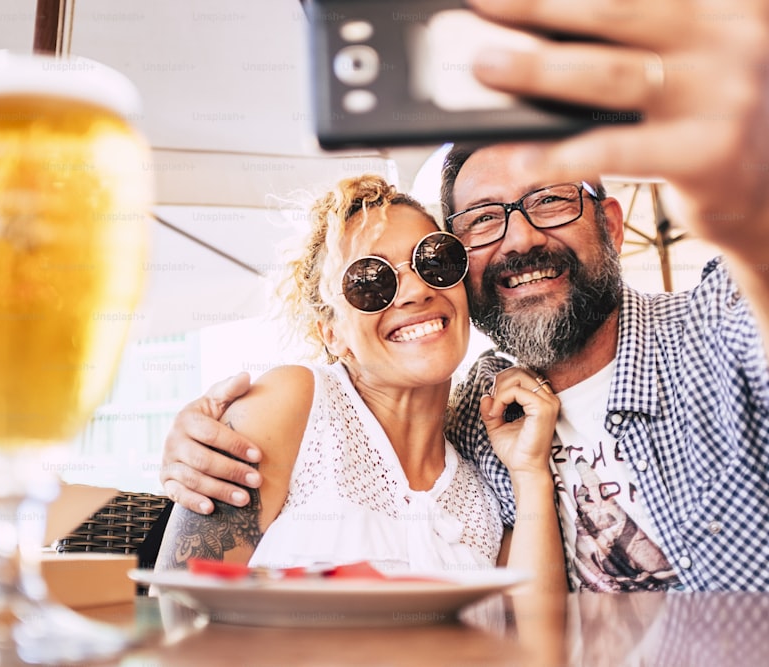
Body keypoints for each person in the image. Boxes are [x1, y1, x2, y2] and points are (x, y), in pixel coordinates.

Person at [158, 0, 769, 591]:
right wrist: (198, 442)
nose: (521, 239)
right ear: (329, 328)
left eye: (550, 199)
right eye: (481, 220)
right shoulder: (476, 413)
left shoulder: (717, 324)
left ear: (610, 224)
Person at [154, 175, 564, 591]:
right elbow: (175, 603)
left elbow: (533, 644)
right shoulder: (293, 404)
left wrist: (531, 474)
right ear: (332, 333)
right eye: (370, 282)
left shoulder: (486, 488)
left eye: (436, 261)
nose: (416, 291)